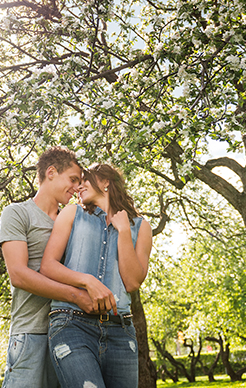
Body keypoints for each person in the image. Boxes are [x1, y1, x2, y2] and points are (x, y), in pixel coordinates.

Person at [0, 147, 111, 388]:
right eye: (72, 179)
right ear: (51, 172)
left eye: (80, 182)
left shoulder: (74, 219)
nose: (77, 187)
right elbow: (18, 274)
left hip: (72, 331)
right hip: (32, 332)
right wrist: (76, 295)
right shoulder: (17, 213)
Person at [40, 163, 153, 388]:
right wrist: (87, 281)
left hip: (120, 331)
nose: (78, 186)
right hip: (71, 324)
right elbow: (48, 266)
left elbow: (131, 282)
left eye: (85, 180)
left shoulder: (141, 227)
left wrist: (122, 231)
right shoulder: (73, 213)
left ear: (105, 182)